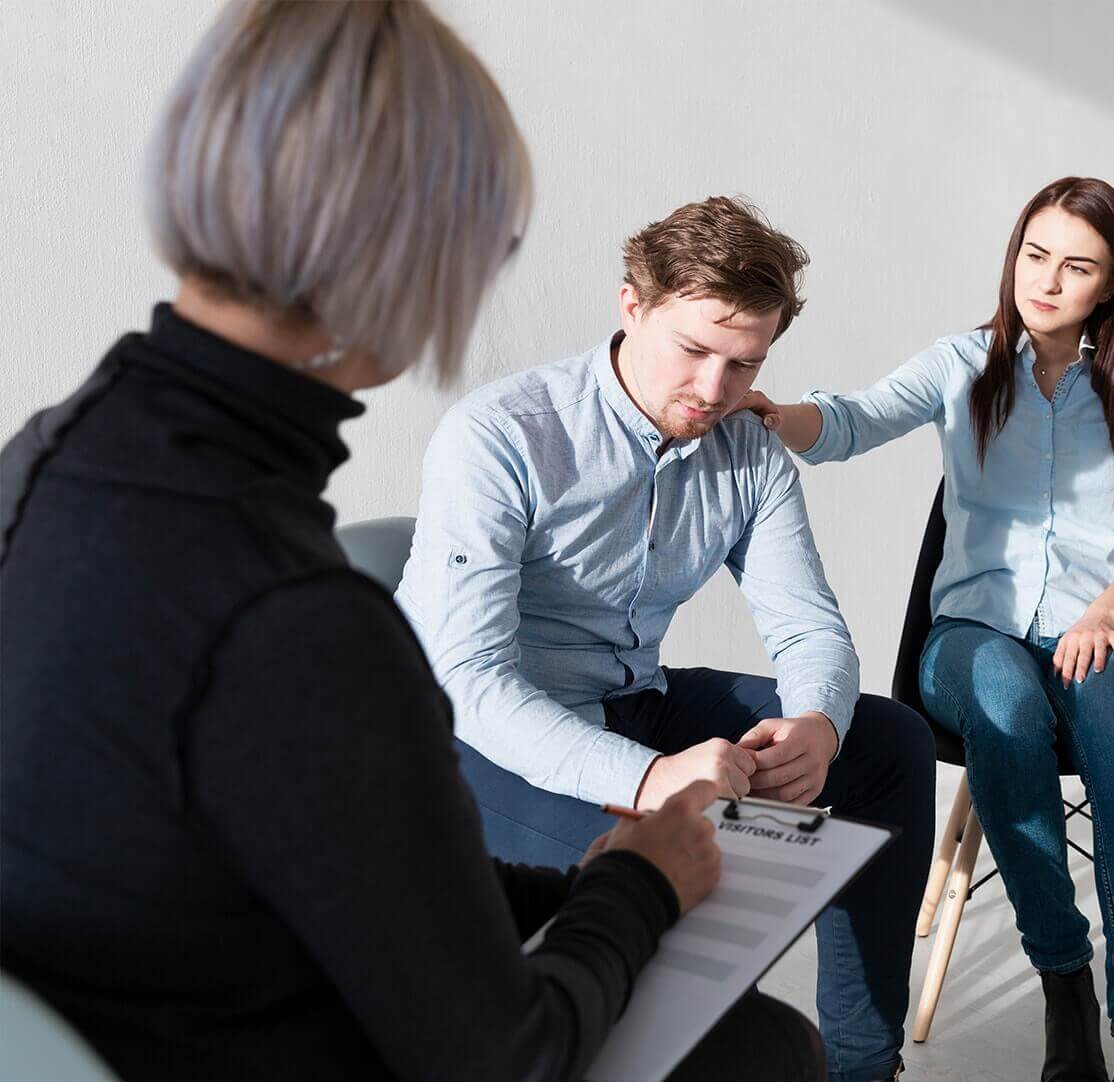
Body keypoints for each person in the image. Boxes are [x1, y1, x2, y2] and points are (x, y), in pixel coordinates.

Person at [0, 3, 821, 1079]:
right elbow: (506, 1056)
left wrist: (611, 875)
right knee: (763, 1050)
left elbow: (323, 857)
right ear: (417, 250)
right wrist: (645, 884)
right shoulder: (299, 615)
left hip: (123, 1013)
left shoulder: (42, 459)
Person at [395, 194, 935, 1082]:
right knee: (686, 871)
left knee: (889, 742)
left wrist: (818, 726)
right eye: (693, 351)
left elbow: (808, 626)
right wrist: (649, 779)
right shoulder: (500, 437)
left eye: (744, 363)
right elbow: (470, 681)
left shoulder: (748, 448)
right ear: (632, 308)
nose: (715, 391)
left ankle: (864, 1070)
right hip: (480, 742)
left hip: (634, 701)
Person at [737, 176, 1114, 1082]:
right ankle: (1065, 982)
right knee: (1007, 704)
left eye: (1076, 267)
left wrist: (1106, 610)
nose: (1047, 281)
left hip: (1106, 632)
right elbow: (857, 420)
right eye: (1034, 255)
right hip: (970, 637)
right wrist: (779, 415)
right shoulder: (961, 363)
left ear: (1111, 283)